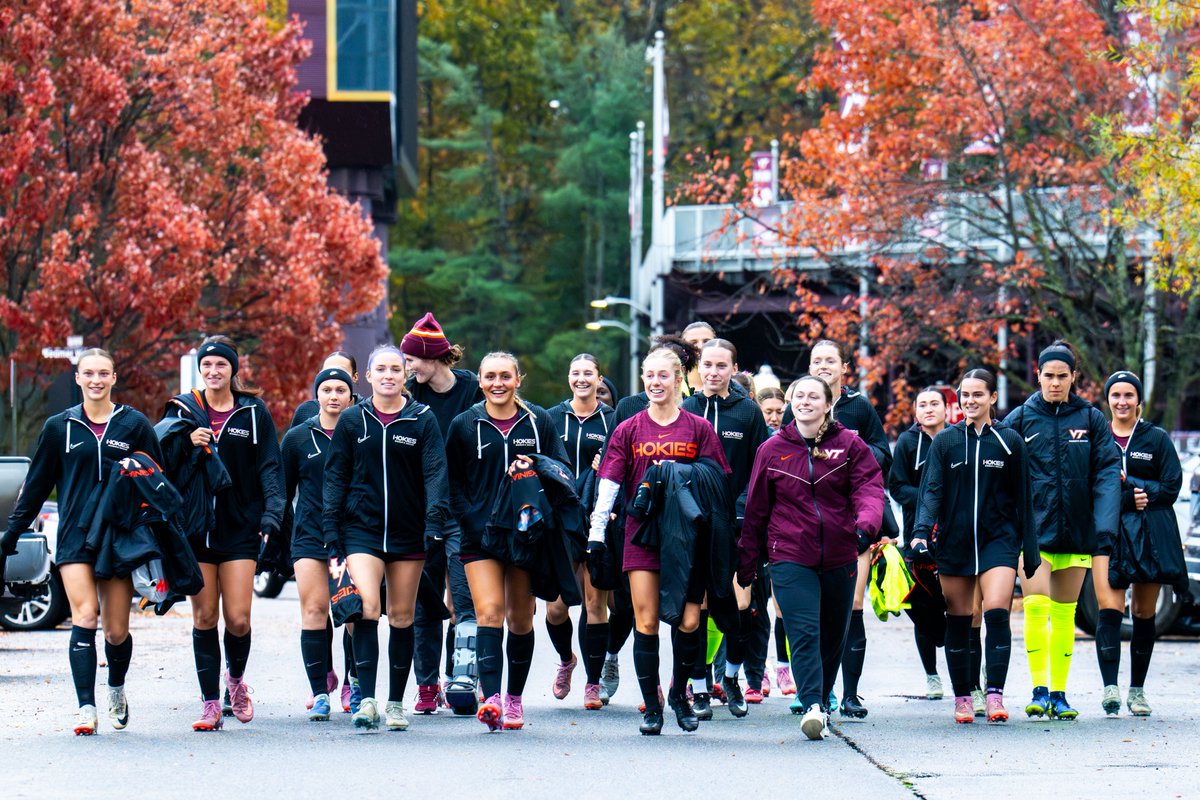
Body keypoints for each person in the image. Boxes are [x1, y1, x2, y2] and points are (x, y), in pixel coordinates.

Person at [2, 349, 161, 735]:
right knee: (85, 615)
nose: (95, 380)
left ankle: (116, 689)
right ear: (77, 378)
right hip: (74, 534)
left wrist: (163, 536)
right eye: (88, 373)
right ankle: (85, 708)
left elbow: (157, 481)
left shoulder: (135, 425)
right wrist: (12, 534)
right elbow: (37, 485)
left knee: (116, 631)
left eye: (103, 373)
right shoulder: (60, 427)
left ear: (113, 378)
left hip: (119, 538)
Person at [589, 346, 731, 735]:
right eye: (649, 376)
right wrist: (597, 534)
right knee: (646, 621)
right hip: (641, 533)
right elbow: (609, 484)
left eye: (663, 376)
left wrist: (674, 470)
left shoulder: (698, 428)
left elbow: (717, 480)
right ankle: (652, 706)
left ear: (679, 378)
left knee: (688, 621)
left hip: (687, 538)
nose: (655, 383)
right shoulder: (629, 428)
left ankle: (679, 695)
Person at [739, 374, 885, 740]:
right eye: (799, 396)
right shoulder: (772, 450)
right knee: (804, 630)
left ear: (827, 405)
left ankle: (820, 698)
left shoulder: (849, 445)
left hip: (840, 552)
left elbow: (870, 488)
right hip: (789, 555)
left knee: (833, 634)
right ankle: (812, 705)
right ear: (791, 402)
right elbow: (756, 508)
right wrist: (747, 561)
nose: (805, 401)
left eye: (813, 397)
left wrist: (864, 526)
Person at [322, 347, 452, 731]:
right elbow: (335, 475)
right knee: (364, 608)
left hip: (409, 530)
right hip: (360, 529)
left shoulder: (421, 419)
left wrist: (434, 521)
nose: (389, 375)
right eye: (381, 369)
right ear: (369, 374)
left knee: (401, 615)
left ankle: (395, 703)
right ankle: (366, 701)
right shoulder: (351, 419)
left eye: (396, 368)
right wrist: (331, 527)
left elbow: (435, 472)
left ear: (405, 374)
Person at [161, 336, 284, 732]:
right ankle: (210, 702)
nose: (214, 371)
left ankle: (235, 680)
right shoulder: (182, 410)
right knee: (204, 616)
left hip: (239, 528)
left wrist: (272, 515)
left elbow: (269, 466)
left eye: (222, 365)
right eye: (208, 364)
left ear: (234, 369)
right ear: (201, 368)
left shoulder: (252, 412)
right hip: (195, 530)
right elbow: (156, 461)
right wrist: (186, 444)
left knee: (238, 619)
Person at [445, 352, 570, 731]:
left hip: (524, 533)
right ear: (480, 382)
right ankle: (494, 699)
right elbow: (450, 481)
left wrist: (535, 467)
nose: (497, 383)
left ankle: (515, 698)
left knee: (519, 619)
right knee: (488, 614)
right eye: (489, 377)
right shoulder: (465, 425)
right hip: (479, 536)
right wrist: (469, 518)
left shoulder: (539, 421)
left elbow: (560, 469)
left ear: (519, 379)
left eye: (505, 376)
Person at [910, 369, 1038, 724]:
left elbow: (1024, 497)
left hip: (1000, 540)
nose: (970, 401)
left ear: (992, 398)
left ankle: (995, 693)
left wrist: (1031, 548)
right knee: (960, 619)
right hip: (955, 542)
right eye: (964, 395)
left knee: (997, 610)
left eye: (977, 395)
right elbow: (931, 490)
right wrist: (921, 532)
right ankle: (964, 697)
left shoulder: (1010, 440)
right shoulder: (946, 442)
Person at [1003, 341, 1121, 720]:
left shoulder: (1090, 418)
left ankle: (1059, 693)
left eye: (1062, 376)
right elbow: (998, 468)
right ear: (1037, 375)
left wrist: (1104, 526)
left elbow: (1106, 472)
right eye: (1048, 376)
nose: (1055, 382)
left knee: (1065, 613)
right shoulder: (1020, 418)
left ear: (1074, 377)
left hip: (1077, 530)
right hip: (1033, 532)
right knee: (1036, 609)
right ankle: (1038, 690)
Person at [784, 339, 892, 718]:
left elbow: (882, 454)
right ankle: (812, 690)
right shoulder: (796, 405)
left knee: (849, 608)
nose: (823, 366)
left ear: (844, 367)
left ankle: (849, 693)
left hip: (850, 527)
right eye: (816, 361)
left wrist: (851, 450)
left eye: (830, 360)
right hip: (802, 531)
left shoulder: (858, 407)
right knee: (805, 615)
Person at [681, 339, 771, 718]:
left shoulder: (748, 413)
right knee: (697, 611)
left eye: (722, 366)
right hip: (696, 526)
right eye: (708, 365)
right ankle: (699, 687)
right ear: (699, 368)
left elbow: (761, 467)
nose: (714, 372)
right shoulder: (686, 408)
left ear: (735, 370)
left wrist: (741, 509)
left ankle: (732, 676)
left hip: (736, 527)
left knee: (739, 608)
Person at [401, 312, 484, 715]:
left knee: (466, 599)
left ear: (431, 357)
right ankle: (427, 684)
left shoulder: (472, 388)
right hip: (421, 511)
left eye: (411, 360)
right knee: (426, 602)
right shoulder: (408, 397)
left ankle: (465, 676)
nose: (407, 368)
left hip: (464, 511)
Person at [1093, 370, 1181, 717]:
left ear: (1139, 400)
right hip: (1109, 534)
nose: (1122, 402)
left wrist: (1136, 483)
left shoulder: (1156, 438)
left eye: (1129, 395)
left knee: (1144, 613)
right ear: (1108, 400)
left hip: (1148, 537)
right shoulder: (1099, 439)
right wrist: (1128, 499)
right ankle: (1110, 689)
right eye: (1116, 395)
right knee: (1110, 609)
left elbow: (1172, 486)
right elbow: (1089, 488)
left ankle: (1137, 691)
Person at [288, 351, 361, 715]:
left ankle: (351, 683)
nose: (334, 396)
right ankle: (320, 691)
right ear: (316, 394)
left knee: (351, 614)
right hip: (309, 535)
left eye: (340, 390)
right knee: (315, 609)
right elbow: (282, 490)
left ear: (351, 395)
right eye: (327, 389)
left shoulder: (362, 431)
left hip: (353, 537)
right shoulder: (299, 437)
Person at [546, 354, 617, 709]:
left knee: (595, 604)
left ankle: (593, 681)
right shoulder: (551, 417)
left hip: (595, 519)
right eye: (576, 373)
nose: (582, 379)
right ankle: (566, 659)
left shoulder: (612, 419)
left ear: (599, 378)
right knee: (557, 609)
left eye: (588, 373)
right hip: (559, 520)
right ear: (568, 377)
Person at [889, 386, 949, 700]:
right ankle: (931, 675)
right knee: (922, 607)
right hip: (918, 535)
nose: (928, 409)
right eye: (922, 404)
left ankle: (964, 675)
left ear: (946, 408)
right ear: (915, 411)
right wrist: (929, 500)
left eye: (934, 403)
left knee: (957, 606)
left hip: (952, 535)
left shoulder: (957, 438)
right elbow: (896, 486)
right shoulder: (908, 443)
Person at [289, 351, 361, 428]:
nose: (334, 374)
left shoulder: (367, 411)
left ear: (355, 377)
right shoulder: (306, 411)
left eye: (342, 371)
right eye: (327, 371)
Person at [681, 321, 716, 394]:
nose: (700, 346)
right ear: (683, 347)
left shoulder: (736, 384)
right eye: (693, 343)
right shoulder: (673, 385)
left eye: (706, 341)